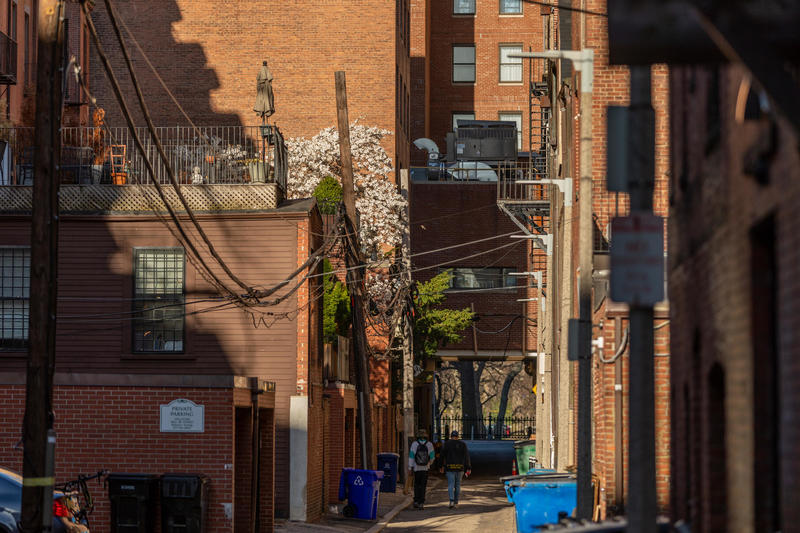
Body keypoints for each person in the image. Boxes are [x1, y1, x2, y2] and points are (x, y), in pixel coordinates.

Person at [440, 430, 471, 508]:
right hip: (460, 468)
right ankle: (456, 502)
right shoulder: (463, 444)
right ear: (458, 436)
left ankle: (451, 501)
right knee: (457, 485)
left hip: (450, 467)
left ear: (451, 436)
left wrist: (441, 466)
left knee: (450, 484)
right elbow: (467, 457)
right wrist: (468, 467)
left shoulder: (446, 444)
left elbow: (441, 456)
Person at [408, 428, 435, 509]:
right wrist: (429, 464)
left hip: (416, 468)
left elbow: (411, 457)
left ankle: (416, 501)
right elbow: (432, 457)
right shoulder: (429, 444)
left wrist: (410, 467)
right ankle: (421, 502)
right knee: (423, 485)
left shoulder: (414, 444)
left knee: (416, 485)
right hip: (425, 469)